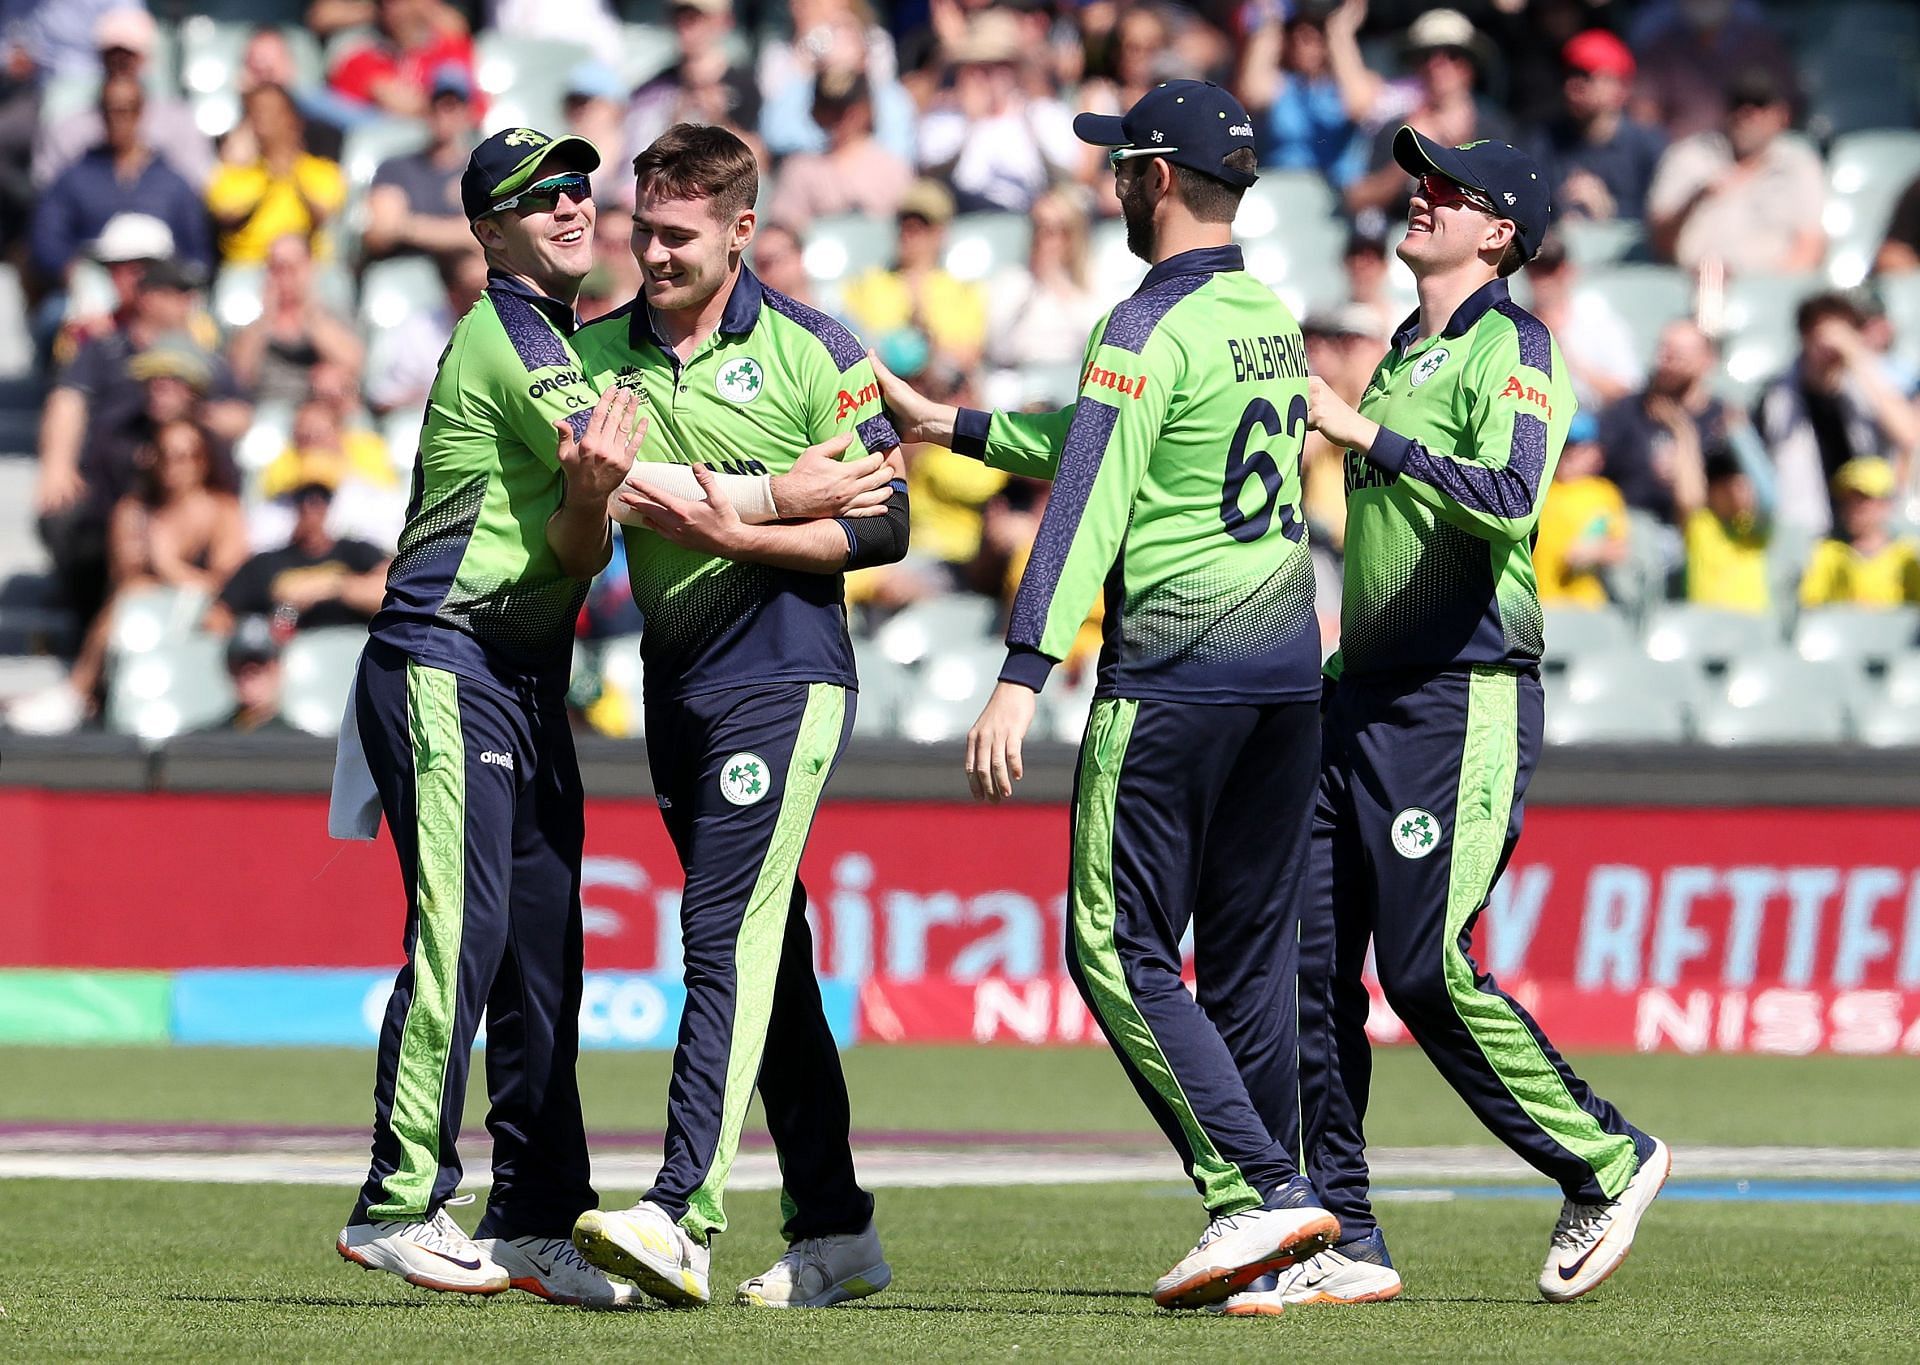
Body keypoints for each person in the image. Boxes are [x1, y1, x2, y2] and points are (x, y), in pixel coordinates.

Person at [872, 79, 1339, 1311]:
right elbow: (1110, 438)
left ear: (1162, 179)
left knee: (1114, 945)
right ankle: (1293, 1233)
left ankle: (1256, 1197)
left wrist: (1022, 673)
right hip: (1286, 678)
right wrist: (957, 426)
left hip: (1176, 677)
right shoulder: (1265, 314)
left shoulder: (1142, 321)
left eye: (1123, 163)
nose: (1110, 182)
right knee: (1244, 965)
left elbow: (1087, 501)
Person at [1298, 128, 1668, 1310]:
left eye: (1446, 187)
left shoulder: (1516, 345)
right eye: (1420, 179)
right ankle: (1340, 1232)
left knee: (1424, 971)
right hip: (1356, 697)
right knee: (1307, 967)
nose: (1420, 195)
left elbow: (1509, 500)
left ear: (1500, 228)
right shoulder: (1406, 345)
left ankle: (1606, 1158)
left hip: (1463, 697)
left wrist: (1364, 435)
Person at [566, 122, 908, 1311]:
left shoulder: (821, 349)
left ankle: (680, 1214)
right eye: (640, 229)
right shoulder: (594, 352)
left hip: (787, 662)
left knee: (720, 933)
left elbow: (886, 523)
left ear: (742, 229)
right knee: (775, 962)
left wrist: (739, 532)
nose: (650, 253)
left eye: (676, 234)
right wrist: (759, 499)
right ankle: (835, 1228)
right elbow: (601, 492)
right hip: (677, 677)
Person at [332, 123, 638, 1309]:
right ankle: (398, 1201)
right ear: (487, 229)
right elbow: (634, 482)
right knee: (462, 941)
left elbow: (588, 521)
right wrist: (794, 497)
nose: (572, 205)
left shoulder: (563, 335)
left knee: (541, 959)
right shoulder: (514, 338)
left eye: (578, 186)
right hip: (445, 662)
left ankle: (534, 1216)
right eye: (539, 195)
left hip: (519, 677)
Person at [7, 415, 248, 735]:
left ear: (204, 461)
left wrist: (167, 564)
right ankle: (80, 692)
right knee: (126, 603)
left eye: (188, 456)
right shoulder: (133, 510)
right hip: (146, 615)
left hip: (207, 616)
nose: (177, 466)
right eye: (167, 455)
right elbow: (125, 578)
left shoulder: (223, 511)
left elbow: (228, 583)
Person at [1755, 291, 1920, 539]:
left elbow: (1909, 435)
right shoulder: (1777, 397)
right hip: (1810, 526)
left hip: (1871, 523)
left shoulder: (1871, 384)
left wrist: (1857, 358)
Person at [30, 75, 213, 289]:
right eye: (110, 110)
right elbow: (47, 239)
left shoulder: (172, 183)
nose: (117, 120)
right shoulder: (73, 179)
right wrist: (73, 272)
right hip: (90, 291)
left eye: (126, 109)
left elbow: (197, 252)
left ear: (141, 112)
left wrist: (173, 286)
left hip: (158, 293)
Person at [1645, 67, 1823, 277]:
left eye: (1758, 104)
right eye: (1738, 103)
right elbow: (1660, 243)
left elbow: (1810, 247)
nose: (1746, 114)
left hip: (1769, 288)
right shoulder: (1688, 156)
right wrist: (1695, 200)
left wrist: (1764, 290)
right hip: (1692, 284)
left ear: (1781, 115)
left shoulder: (1798, 163)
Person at [1344, 10, 1513, 224]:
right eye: (1426, 56)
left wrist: (1458, 148)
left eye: (1452, 55)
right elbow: (1357, 200)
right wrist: (1408, 156)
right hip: (1405, 238)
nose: (1437, 65)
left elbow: (1510, 201)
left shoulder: (1496, 129)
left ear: (1470, 66)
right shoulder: (1396, 129)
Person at [915, 9, 1079, 215]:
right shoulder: (945, 118)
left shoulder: (1045, 114)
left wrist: (1029, 122)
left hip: (1029, 217)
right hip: (964, 218)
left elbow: (1066, 172)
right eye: (979, 68)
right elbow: (932, 171)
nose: (988, 78)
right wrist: (970, 121)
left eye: (999, 67)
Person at [32, 8, 213, 192]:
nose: (120, 62)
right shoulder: (68, 129)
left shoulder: (179, 123)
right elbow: (49, 190)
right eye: (112, 54)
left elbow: (197, 184)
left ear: (146, 58)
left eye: (129, 55)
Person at [207, 463, 389, 637]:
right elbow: (218, 615)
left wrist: (331, 586)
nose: (310, 508)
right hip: (286, 657)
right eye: (303, 498)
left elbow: (394, 594)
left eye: (320, 499)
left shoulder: (356, 553)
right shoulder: (265, 564)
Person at [841, 178, 986, 373]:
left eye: (921, 226)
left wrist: (928, 344)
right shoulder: (865, 284)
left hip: (939, 394)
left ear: (940, 232)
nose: (909, 233)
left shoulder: (963, 290)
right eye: (904, 223)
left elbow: (969, 356)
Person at [1235, 0, 1383, 190]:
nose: (1304, 40)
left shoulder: (1354, 82)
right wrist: (1270, 23)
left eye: (1317, 32)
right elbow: (1251, 93)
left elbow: (1360, 106)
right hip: (1281, 190)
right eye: (1296, 31)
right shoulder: (1282, 84)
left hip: (1337, 198)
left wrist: (1339, 34)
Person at [1522, 30, 1666, 223]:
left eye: (1586, 76)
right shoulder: (1544, 142)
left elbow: (1662, 221)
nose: (1573, 85)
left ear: (1620, 88)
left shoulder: (1648, 147)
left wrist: (1610, 210)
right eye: (1569, 74)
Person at [981, 187, 1104, 410]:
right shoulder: (1012, 281)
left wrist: (1057, 285)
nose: (1041, 238)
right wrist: (1033, 290)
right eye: (1037, 227)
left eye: (1052, 230)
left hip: (1074, 381)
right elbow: (998, 347)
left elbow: (1097, 341)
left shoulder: (1093, 283)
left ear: (1071, 236)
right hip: (1020, 383)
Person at [1600, 319, 1730, 528]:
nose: (1666, 361)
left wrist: (1682, 431)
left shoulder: (1721, 421)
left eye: (1678, 355)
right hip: (1629, 530)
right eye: (1664, 351)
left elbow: (1693, 504)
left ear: (1706, 360)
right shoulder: (1629, 411)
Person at [206, 84, 348, 266]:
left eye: (271, 112)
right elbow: (226, 213)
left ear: (292, 119)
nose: (262, 120)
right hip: (249, 268)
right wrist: (267, 175)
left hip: (308, 268)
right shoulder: (232, 173)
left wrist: (292, 173)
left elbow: (324, 214)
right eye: (255, 113)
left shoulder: (322, 171)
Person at [764, 69, 911, 230]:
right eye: (828, 109)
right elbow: (782, 228)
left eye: (845, 111)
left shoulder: (891, 167)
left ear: (864, 109)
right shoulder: (801, 168)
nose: (836, 119)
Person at [228, 233, 365, 406]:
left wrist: (309, 313)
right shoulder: (251, 321)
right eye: (276, 268)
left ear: (309, 267)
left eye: (292, 267)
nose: (285, 277)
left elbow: (354, 365)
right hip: (267, 404)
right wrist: (265, 318)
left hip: (319, 406)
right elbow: (239, 376)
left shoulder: (332, 314)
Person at [361, 64, 477, 262]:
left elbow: (482, 235)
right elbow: (380, 232)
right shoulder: (395, 167)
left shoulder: (479, 170)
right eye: (436, 103)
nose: (442, 113)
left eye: (451, 106)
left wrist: (407, 226)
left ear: (467, 113)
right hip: (407, 267)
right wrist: (456, 232)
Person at [1534, 411, 1628, 607]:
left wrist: (1593, 552)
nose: (1568, 454)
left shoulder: (1604, 493)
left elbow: (1619, 547)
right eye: (1564, 445)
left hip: (1584, 603)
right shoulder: (1539, 487)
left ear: (1595, 452)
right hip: (1539, 601)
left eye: (1577, 447)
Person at [327, 0, 479, 121]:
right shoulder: (359, 59)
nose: (396, 10)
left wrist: (427, 105)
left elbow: (475, 109)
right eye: (386, 3)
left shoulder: (453, 49)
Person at [1799, 457, 1920, 607]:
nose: (1854, 508)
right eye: (1846, 499)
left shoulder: (1907, 557)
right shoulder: (1824, 554)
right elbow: (1812, 609)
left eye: (1863, 499)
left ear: (1885, 504)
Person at [1685, 444, 1770, 611]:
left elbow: (1768, 500)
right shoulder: (1700, 524)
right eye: (1728, 486)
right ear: (1712, 491)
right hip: (1710, 630)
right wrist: (1685, 434)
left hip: (1755, 630)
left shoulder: (1752, 527)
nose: (1736, 492)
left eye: (1741, 485)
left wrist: (1740, 433)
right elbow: (1688, 496)